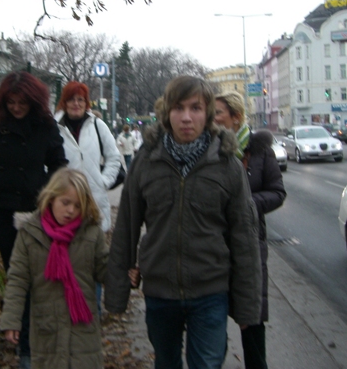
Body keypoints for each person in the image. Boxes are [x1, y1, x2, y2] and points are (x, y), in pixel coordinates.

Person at [105, 76, 262, 369]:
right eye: (178, 108)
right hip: (160, 292)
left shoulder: (227, 165)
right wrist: (117, 294)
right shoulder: (146, 161)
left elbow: (245, 238)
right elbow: (126, 227)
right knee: (166, 363)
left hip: (210, 291)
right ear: (167, 113)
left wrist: (247, 306)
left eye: (196, 108)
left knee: (207, 364)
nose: (187, 117)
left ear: (208, 114)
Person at [0, 71, 67, 368]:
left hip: (37, 211)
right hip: (2, 210)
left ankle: (42, 337)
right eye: (11, 101)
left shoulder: (45, 125)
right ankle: (26, 347)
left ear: (33, 101)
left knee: (40, 275)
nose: (16, 107)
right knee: (17, 273)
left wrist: (45, 190)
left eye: (22, 102)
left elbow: (59, 163)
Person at [0, 168, 109, 369]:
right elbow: (17, 279)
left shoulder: (91, 233)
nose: (70, 211)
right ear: (51, 198)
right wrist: (12, 320)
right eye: (65, 203)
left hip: (83, 331)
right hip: (46, 330)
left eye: (77, 206)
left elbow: (105, 270)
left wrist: (126, 272)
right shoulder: (30, 235)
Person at [215, 91, 286, 369]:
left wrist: (246, 204)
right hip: (215, 243)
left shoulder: (259, 151)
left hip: (252, 243)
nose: (213, 118)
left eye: (218, 113)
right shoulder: (210, 149)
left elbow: (277, 193)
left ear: (236, 118)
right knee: (213, 314)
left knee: (252, 317)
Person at [54, 81, 122, 233]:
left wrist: (103, 181)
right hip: (64, 200)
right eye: (71, 99)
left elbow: (114, 158)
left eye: (81, 99)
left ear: (86, 103)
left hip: (94, 199)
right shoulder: (54, 128)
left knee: (94, 247)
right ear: (64, 103)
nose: (76, 104)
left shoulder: (98, 126)